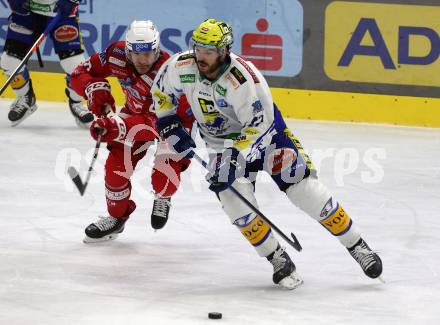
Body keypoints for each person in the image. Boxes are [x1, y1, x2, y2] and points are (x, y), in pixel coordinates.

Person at [151, 18, 383, 290]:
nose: (201, 57)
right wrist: (169, 123)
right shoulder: (181, 66)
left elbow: (259, 125)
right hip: (219, 146)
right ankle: (277, 258)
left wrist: (233, 158)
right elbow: (161, 93)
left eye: (209, 51)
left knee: (305, 190)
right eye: (198, 49)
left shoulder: (243, 79)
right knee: (236, 204)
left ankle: (358, 246)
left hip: (268, 137)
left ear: (224, 51)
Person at [70, 20, 194, 243]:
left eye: (148, 54)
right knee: (115, 170)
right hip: (134, 111)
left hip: (171, 121)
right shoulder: (116, 55)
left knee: (163, 177)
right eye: (136, 54)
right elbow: (80, 73)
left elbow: (151, 123)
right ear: (127, 50)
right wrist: (94, 90)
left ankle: (163, 196)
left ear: (157, 49)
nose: (143, 60)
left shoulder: (168, 72)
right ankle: (117, 218)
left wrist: (116, 127)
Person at [0, 0, 93, 126]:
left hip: (61, 15)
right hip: (26, 14)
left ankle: (76, 101)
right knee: (9, 61)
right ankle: (26, 97)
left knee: (75, 64)